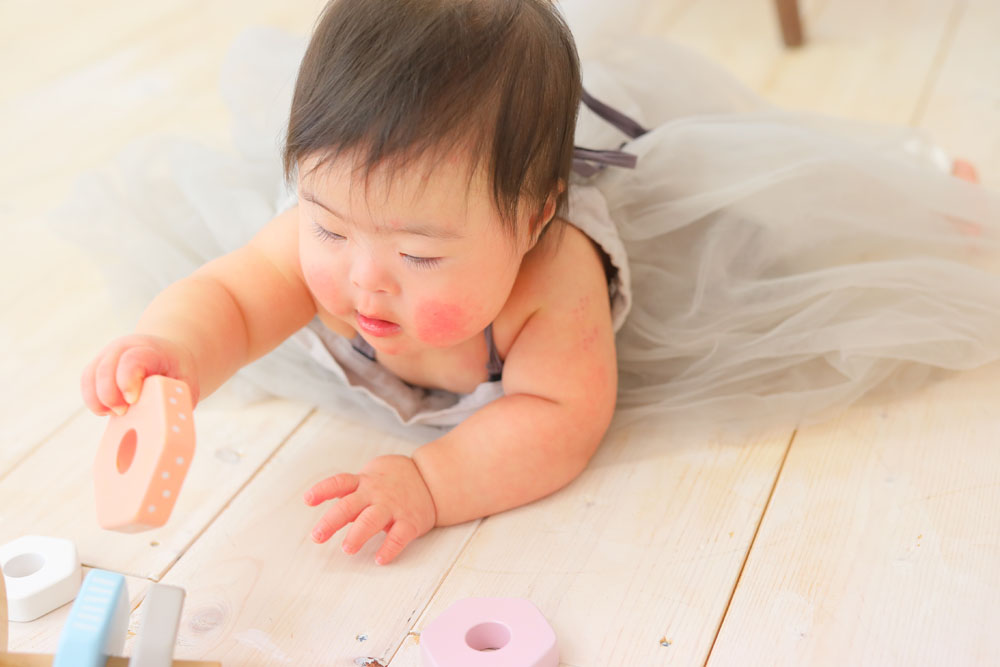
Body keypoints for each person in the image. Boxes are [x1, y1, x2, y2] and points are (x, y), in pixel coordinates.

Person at [63, 0, 1000, 564]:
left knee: (769, 229)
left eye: (420, 256)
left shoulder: (552, 281)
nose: (362, 282)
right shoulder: (330, 233)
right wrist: (173, 348)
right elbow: (231, 299)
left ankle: (912, 181)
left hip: (668, 219)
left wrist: (432, 480)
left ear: (532, 218)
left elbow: (560, 418)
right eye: (330, 228)